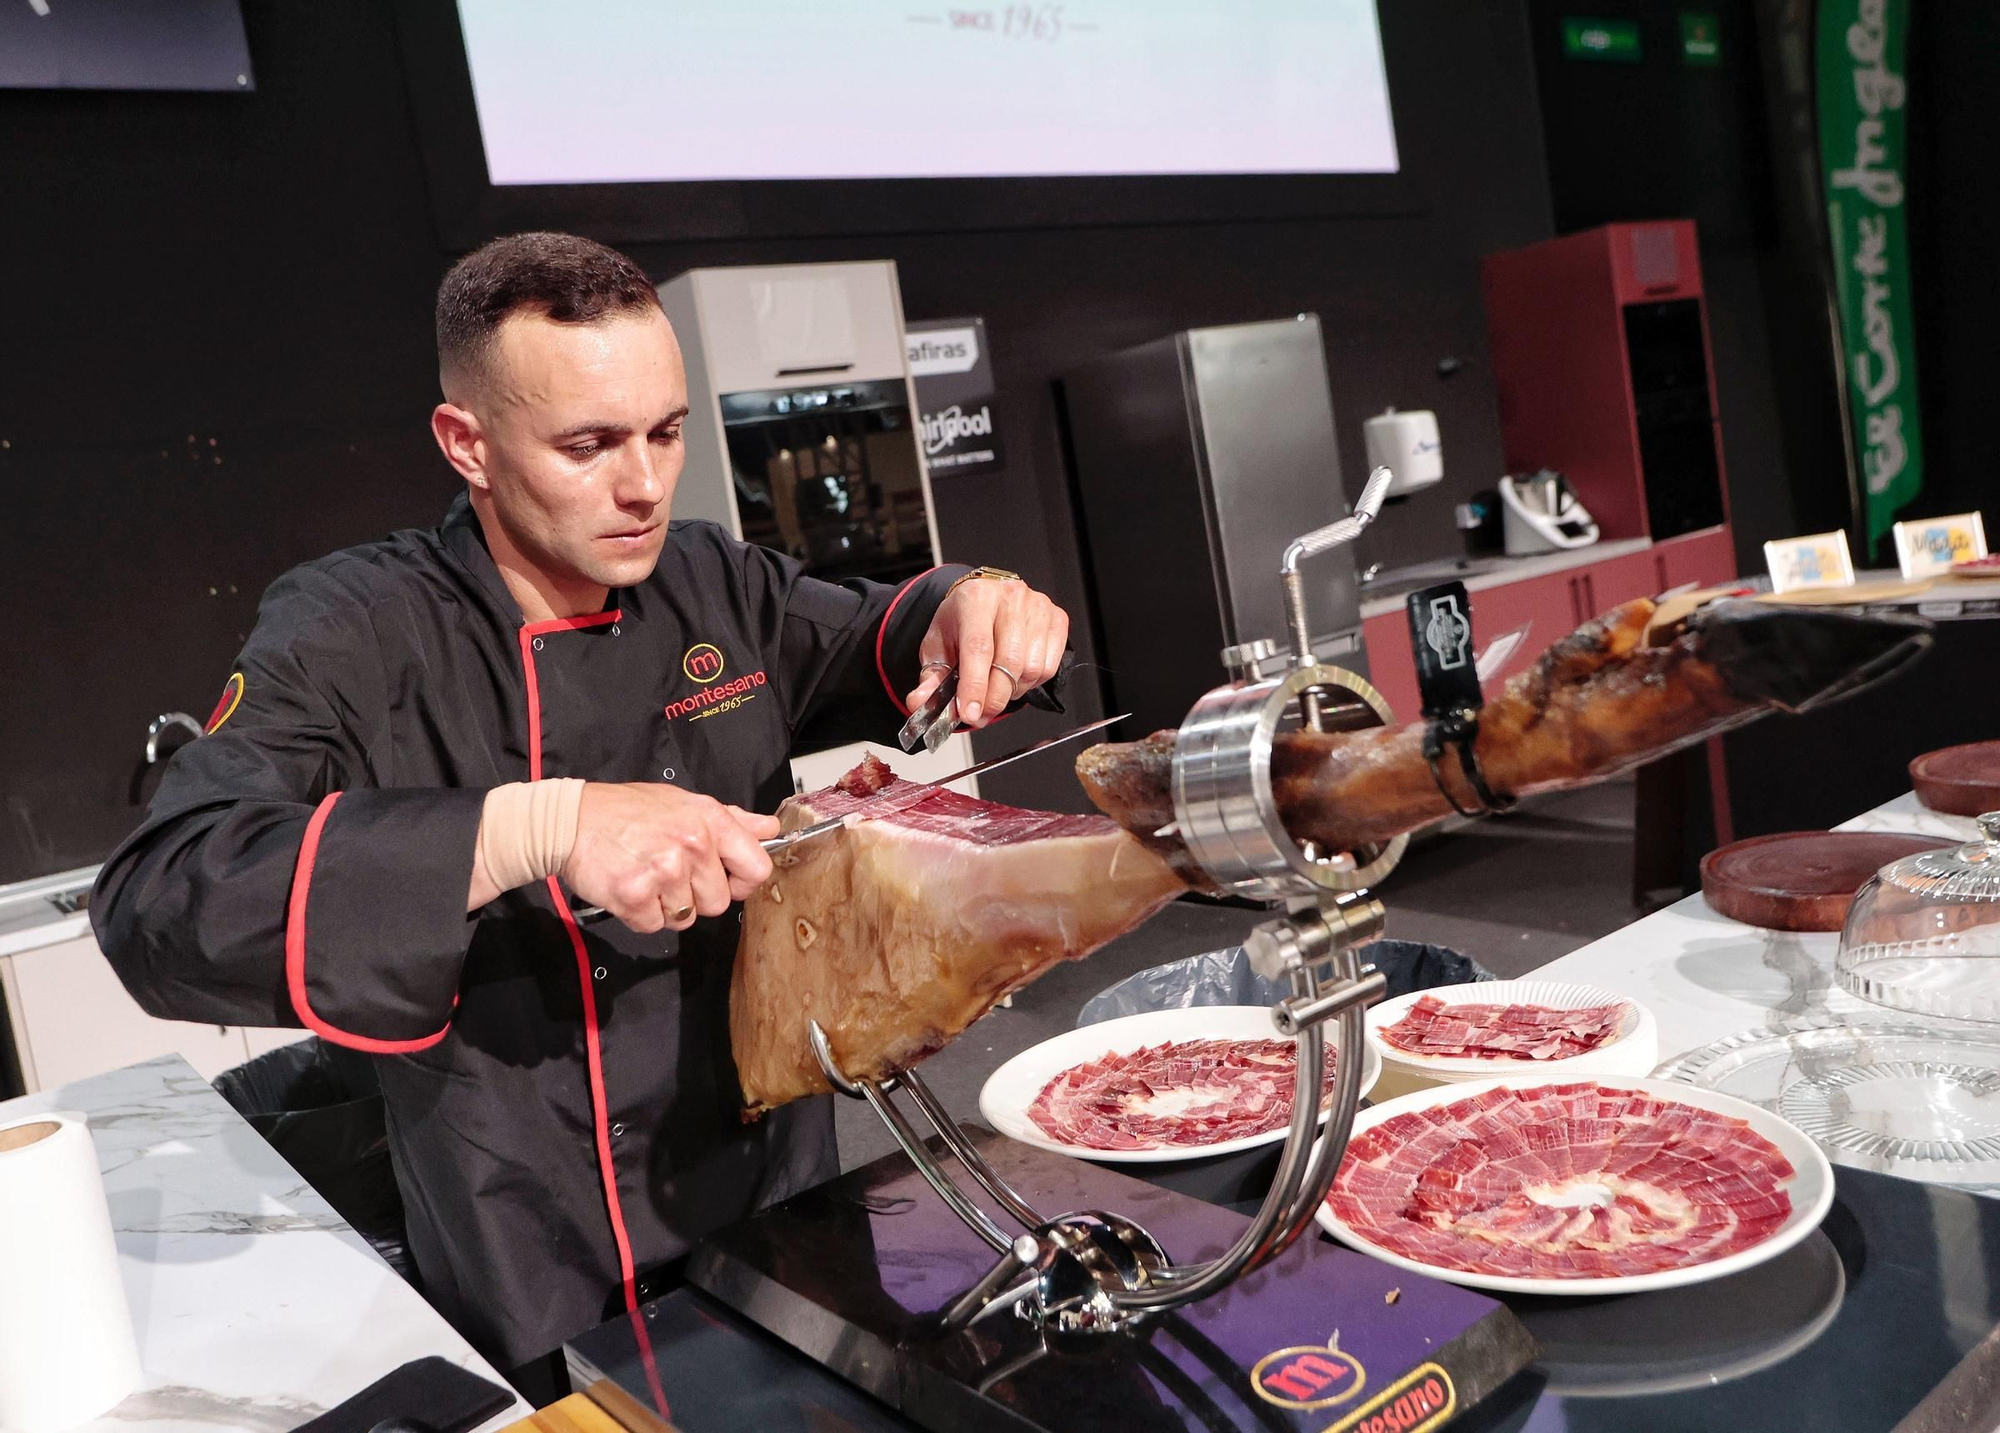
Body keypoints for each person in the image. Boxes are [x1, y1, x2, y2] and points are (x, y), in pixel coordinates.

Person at [91, 232, 1070, 1376]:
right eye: (587, 444)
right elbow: (164, 897)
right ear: (467, 443)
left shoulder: (708, 578)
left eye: (664, 431)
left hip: (777, 1197)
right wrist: (535, 825)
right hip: (531, 1245)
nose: (644, 484)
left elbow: (874, 629)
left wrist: (972, 600)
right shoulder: (356, 626)